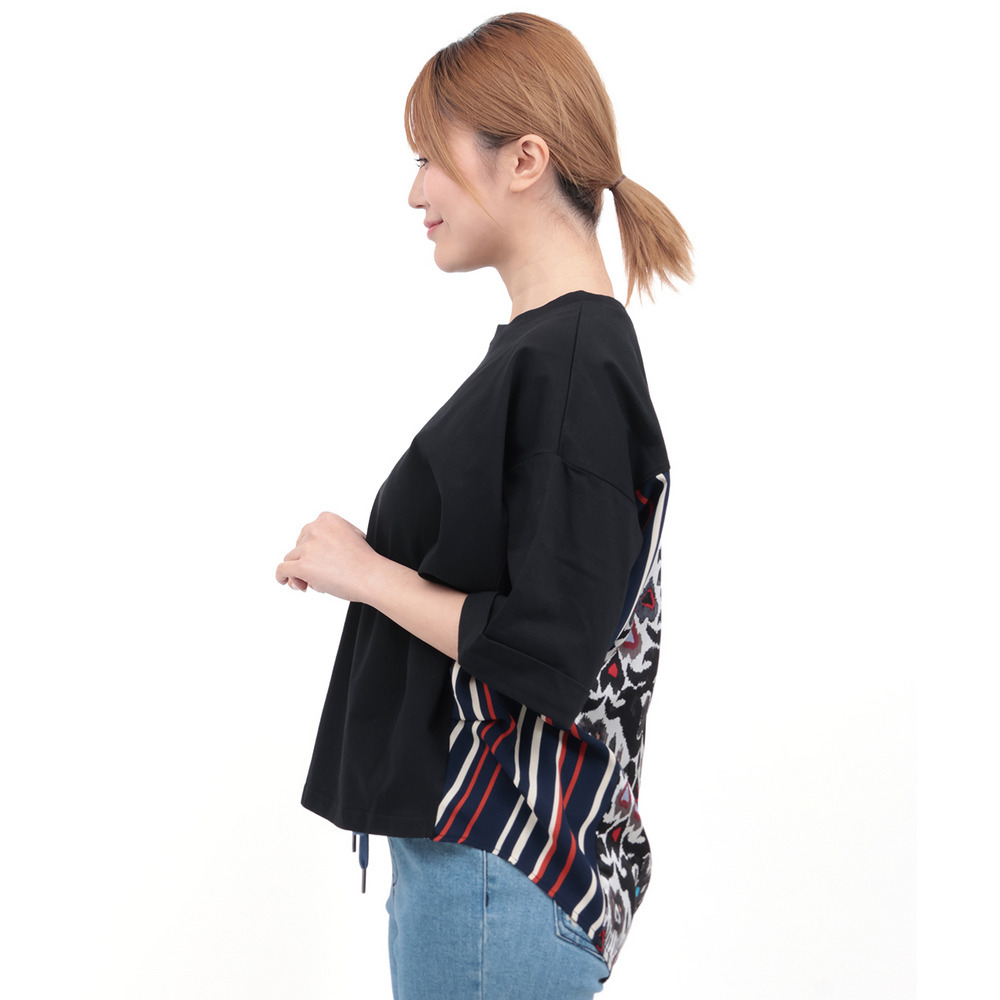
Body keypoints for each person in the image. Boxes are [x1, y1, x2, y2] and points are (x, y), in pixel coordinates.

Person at [276, 12, 692, 999]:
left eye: (429, 156)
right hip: (484, 873)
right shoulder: (551, 354)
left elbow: (549, 645)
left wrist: (366, 575)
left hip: (496, 870)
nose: (414, 190)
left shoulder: (572, 364)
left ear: (525, 160)